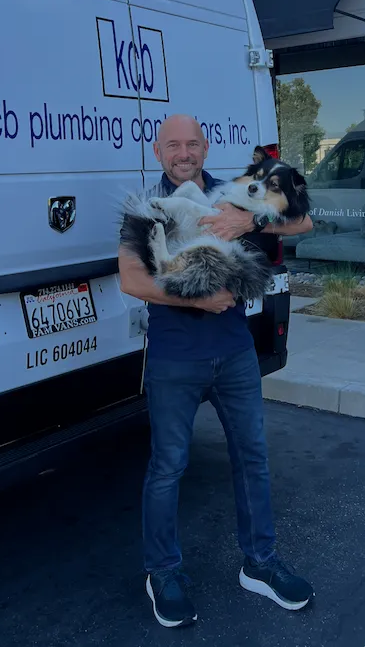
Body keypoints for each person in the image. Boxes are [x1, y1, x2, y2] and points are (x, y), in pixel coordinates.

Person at [118, 114, 315, 628]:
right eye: (173, 145)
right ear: (158, 151)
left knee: (253, 458)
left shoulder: (234, 195)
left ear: (205, 149)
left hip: (234, 355)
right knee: (168, 468)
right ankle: (162, 572)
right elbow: (131, 280)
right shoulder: (146, 209)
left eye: (193, 144)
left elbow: (303, 222)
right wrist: (198, 299)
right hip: (174, 358)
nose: (184, 153)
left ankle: (261, 563)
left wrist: (248, 222)